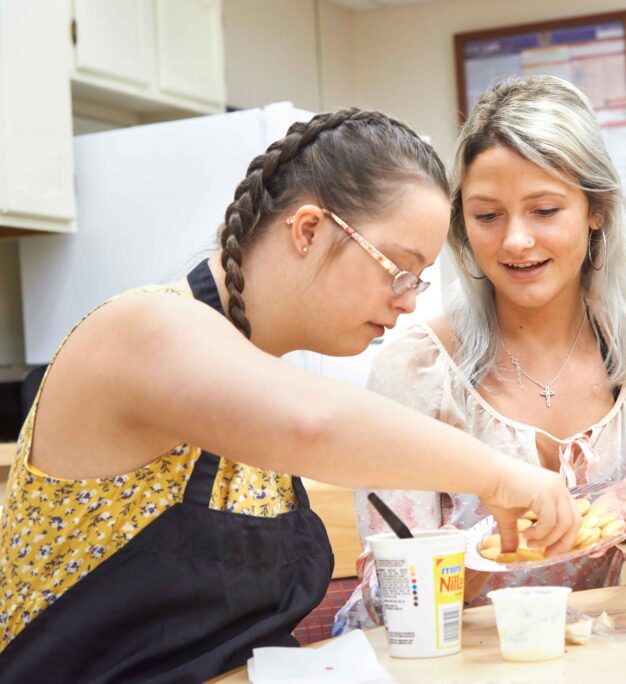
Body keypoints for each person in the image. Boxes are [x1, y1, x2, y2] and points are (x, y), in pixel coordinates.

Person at [0, 108, 580, 683]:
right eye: (399, 270)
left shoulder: (254, 375)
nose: (408, 301)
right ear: (307, 230)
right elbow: (313, 424)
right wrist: (503, 476)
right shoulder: (140, 328)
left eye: (419, 278)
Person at [336, 76, 626, 634]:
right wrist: (499, 545)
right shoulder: (416, 368)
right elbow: (390, 595)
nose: (515, 240)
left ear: (596, 210)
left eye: (544, 210)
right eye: (488, 216)